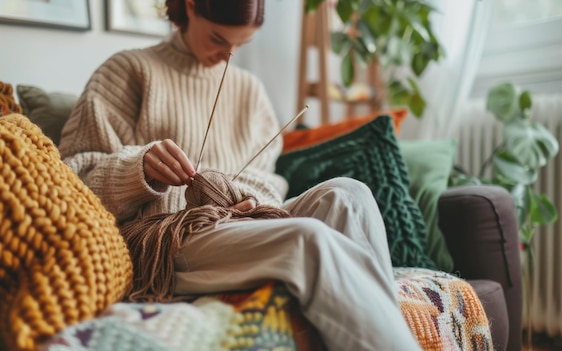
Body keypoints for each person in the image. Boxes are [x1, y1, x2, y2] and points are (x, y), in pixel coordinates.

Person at [58, 0, 423, 350]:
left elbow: (269, 180)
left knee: (349, 194)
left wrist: (247, 201)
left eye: (242, 44)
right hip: (170, 237)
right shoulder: (128, 71)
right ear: (189, 6)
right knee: (307, 239)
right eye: (218, 39)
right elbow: (73, 177)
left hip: (243, 224)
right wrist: (139, 168)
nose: (228, 55)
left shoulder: (249, 90)